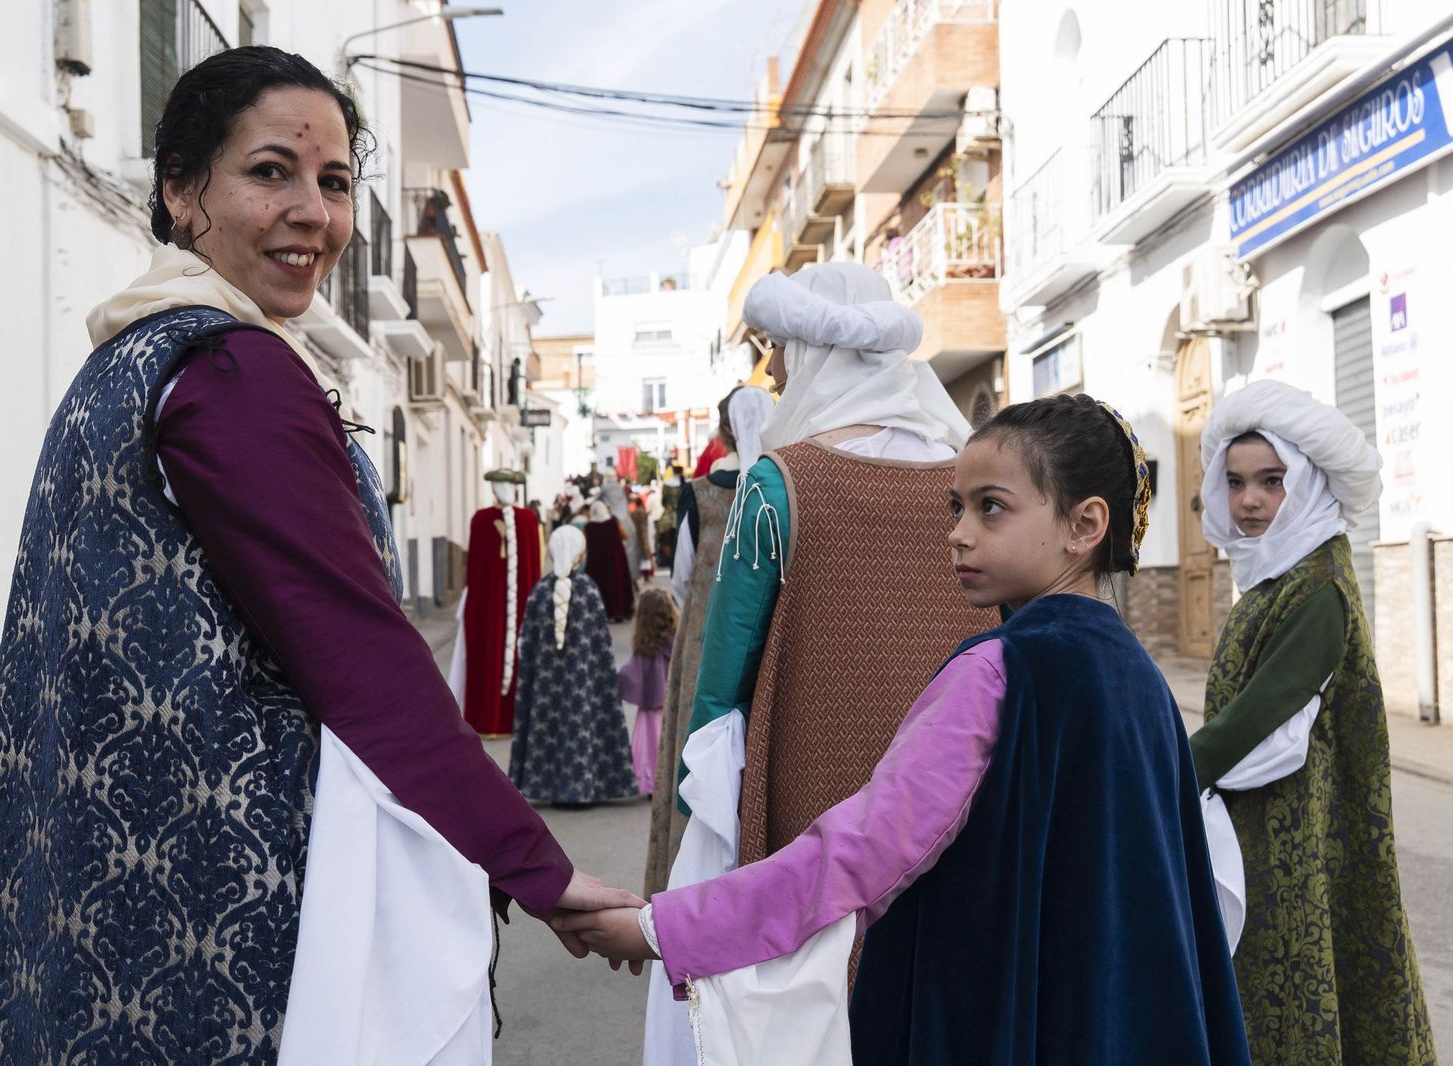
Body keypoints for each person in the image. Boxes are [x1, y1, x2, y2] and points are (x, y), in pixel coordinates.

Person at [0, 48, 636, 1065]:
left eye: (336, 181)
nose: (314, 210)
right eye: (270, 172)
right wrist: (535, 865)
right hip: (216, 924)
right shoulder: (229, 368)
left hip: (93, 913)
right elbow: (358, 653)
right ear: (180, 189)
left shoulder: (124, 363)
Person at [560, 394, 1250, 1066]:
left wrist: (666, 927)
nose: (957, 531)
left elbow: (860, 850)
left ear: (1085, 524)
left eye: (991, 508)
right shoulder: (1139, 675)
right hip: (1118, 1019)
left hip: (1005, 1018)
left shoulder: (997, 671)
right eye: (958, 506)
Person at [641, 264, 997, 1064]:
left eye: (785, 352)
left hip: (815, 799)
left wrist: (713, 833)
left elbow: (722, 684)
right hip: (951, 790)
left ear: (816, 353)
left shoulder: (778, 483)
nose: (779, 372)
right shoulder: (975, 482)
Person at [1189, 379, 1434, 1063]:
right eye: (1236, 482)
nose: (1250, 501)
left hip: (1295, 828)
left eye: (1272, 481)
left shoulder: (1318, 586)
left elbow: (1267, 723)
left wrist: (1166, 770)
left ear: (1311, 483)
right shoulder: (1278, 574)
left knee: (1295, 981)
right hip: (1264, 824)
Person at [644, 385, 770, 897]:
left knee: (699, 755)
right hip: (767, 645)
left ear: (721, 435)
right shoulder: (780, 489)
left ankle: (689, 887)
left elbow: (680, 578)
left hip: (701, 645)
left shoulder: (699, 493)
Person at [508, 526, 639, 806]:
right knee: (580, 722)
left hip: (544, 686)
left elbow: (526, 643)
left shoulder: (539, 591)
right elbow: (602, 644)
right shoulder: (589, 590)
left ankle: (546, 784)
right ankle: (586, 785)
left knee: (548, 723)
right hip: (584, 686)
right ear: (580, 554)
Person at [450, 469, 543, 736]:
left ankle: (486, 719)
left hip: (485, 609)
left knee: (485, 651)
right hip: (521, 607)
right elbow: (533, 570)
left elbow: (474, 571)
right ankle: (516, 719)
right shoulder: (528, 520)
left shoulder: (480, 520)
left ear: (493, 489)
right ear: (513, 489)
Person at [620, 588, 679, 796]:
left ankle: (651, 782)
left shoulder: (645, 647)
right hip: (672, 705)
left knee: (649, 746)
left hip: (650, 708)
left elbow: (630, 675)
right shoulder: (676, 642)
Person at [583, 499, 635, 622]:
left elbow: (583, 542)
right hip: (614, 562)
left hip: (596, 563)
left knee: (599, 586)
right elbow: (625, 536)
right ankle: (619, 612)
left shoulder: (589, 527)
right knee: (616, 585)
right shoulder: (613, 522)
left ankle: (599, 612)